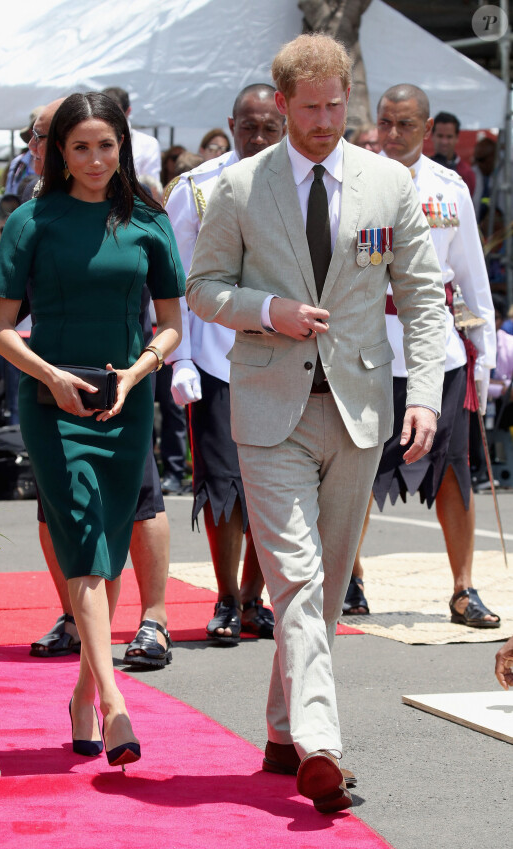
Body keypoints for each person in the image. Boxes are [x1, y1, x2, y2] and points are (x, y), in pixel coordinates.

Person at [186, 34, 446, 812]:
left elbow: (424, 298)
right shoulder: (237, 188)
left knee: (323, 589)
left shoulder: (387, 185)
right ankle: (322, 746)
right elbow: (202, 288)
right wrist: (269, 311)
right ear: (283, 102)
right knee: (296, 576)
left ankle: (278, 727)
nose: (327, 120)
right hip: (269, 409)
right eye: (312, 108)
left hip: (361, 411)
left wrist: (425, 391)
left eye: (338, 106)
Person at [0, 92, 184, 766]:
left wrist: (136, 373)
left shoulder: (149, 220)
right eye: (81, 147)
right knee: (82, 536)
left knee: (106, 549)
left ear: (123, 144)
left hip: (126, 401)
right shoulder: (31, 221)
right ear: (57, 152)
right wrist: (51, 378)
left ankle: (80, 694)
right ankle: (115, 702)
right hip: (52, 406)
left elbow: (172, 324)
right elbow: (0, 330)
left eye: (107, 145)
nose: (96, 159)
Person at [345, 84, 499, 628]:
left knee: (453, 470)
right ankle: (351, 578)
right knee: (356, 468)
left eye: (404, 125)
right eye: (384, 123)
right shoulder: (355, 179)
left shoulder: (450, 189)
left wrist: (485, 356)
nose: (392, 135)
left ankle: (463, 588)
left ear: (427, 129)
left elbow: (473, 280)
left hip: (439, 351)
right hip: (372, 347)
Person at [166, 84, 286, 644]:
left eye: (270, 127)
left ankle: (256, 599)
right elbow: (174, 284)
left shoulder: (301, 182)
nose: (259, 138)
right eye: (249, 127)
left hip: (286, 359)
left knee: (274, 486)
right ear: (231, 124)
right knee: (222, 486)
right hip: (216, 358)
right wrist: (182, 358)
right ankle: (225, 597)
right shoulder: (196, 189)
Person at [102, 86, 161, 182]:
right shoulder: (91, 139)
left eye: (115, 112)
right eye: (105, 112)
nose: (110, 117)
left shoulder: (148, 144)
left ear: (128, 111)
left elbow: (151, 184)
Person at [430, 111, 476, 197]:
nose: (444, 141)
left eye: (449, 137)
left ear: (457, 138)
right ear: (432, 136)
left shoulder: (466, 172)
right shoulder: (422, 168)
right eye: (440, 136)